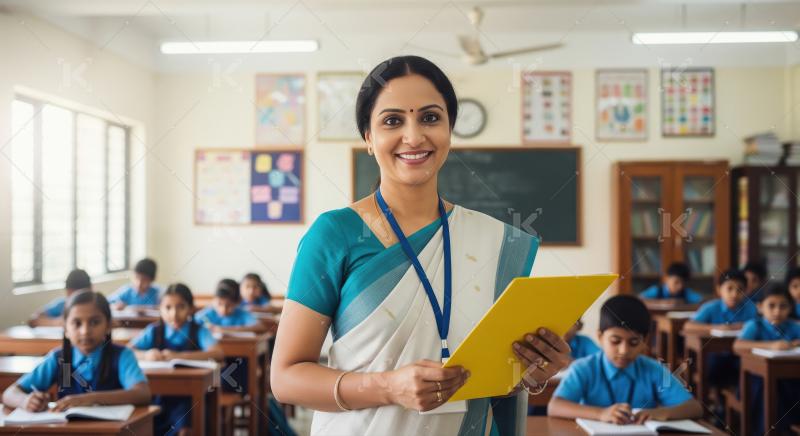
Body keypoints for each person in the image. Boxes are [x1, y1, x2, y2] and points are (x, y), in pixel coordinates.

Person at [271, 55, 570, 435]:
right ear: (369, 138)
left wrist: (533, 372)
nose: (414, 137)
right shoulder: (335, 234)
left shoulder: (492, 240)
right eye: (392, 121)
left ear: (449, 130)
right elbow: (286, 378)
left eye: (430, 118)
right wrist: (388, 387)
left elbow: (498, 374)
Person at [548, 295, 703, 424]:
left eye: (634, 342)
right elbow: (555, 406)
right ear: (600, 337)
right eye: (615, 341)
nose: (624, 351)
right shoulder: (584, 368)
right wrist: (601, 414)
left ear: (645, 340)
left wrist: (661, 413)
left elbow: (695, 408)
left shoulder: (654, 369)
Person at [3, 291, 150, 411]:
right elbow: (10, 393)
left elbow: (142, 394)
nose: (85, 331)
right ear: (66, 329)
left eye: (94, 322)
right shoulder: (60, 359)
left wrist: (89, 399)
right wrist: (26, 401)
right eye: (77, 323)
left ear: (108, 326)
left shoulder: (121, 356)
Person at [130, 283, 223, 436]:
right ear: (160, 308)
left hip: (190, 397)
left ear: (191, 308)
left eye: (180, 307)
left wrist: (179, 356)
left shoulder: (198, 330)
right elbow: (129, 350)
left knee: (186, 419)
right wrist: (146, 355)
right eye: (168, 307)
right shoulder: (154, 330)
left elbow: (217, 353)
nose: (174, 314)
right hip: (157, 397)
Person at [683, 269, 756, 406]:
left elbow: (757, 327)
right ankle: (715, 402)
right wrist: (715, 327)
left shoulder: (750, 308)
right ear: (719, 290)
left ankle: (740, 404)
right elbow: (688, 326)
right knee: (714, 365)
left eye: (740, 289)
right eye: (730, 289)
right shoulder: (711, 307)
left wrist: (746, 326)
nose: (734, 294)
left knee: (747, 368)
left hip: (739, 355)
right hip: (715, 355)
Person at [733, 285, 800, 434]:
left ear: (791, 308)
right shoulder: (754, 325)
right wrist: (772, 345)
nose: (777, 311)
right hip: (753, 382)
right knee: (770, 389)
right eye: (771, 305)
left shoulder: (794, 326)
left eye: (783, 306)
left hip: (790, 381)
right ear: (760, 307)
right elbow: (737, 346)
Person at [639, 262, 703, 304]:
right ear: (666, 278)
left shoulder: (686, 292)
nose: (680, 286)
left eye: (683, 283)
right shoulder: (657, 290)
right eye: (676, 282)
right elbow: (640, 300)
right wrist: (662, 302)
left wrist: (682, 302)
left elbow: (701, 301)